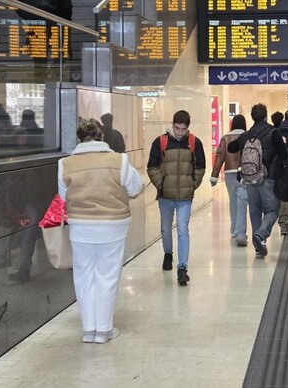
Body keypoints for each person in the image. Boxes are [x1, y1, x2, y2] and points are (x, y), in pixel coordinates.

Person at [58, 118, 142, 344]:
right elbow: (135, 187)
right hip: (112, 226)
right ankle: (104, 329)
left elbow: (64, 196)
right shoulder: (119, 161)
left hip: (80, 227)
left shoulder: (65, 164)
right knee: (107, 275)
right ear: (102, 136)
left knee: (83, 276)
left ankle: (89, 329)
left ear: (80, 138)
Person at [146, 110, 206, 285]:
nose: (179, 132)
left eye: (183, 129)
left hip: (185, 196)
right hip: (165, 195)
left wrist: (193, 184)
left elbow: (200, 167)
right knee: (165, 228)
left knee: (182, 230)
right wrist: (161, 184)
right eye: (177, 128)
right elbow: (152, 166)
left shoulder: (194, 142)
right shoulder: (161, 142)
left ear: (188, 127)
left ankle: (182, 267)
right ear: (172, 125)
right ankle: (167, 253)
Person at [226, 103, 287, 258]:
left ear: (252, 117)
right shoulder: (274, 133)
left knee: (254, 211)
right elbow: (283, 155)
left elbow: (231, 148)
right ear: (266, 116)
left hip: (250, 179)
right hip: (268, 178)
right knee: (272, 211)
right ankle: (260, 235)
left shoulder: (246, 135)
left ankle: (258, 246)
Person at [210, 114, 249, 246]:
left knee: (233, 201)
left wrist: (214, 175)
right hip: (245, 173)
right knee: (242, 202)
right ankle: (240, 230)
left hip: (230, 173)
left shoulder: (225, 138)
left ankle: (234, 229)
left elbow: (220, 157)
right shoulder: (248, 136)